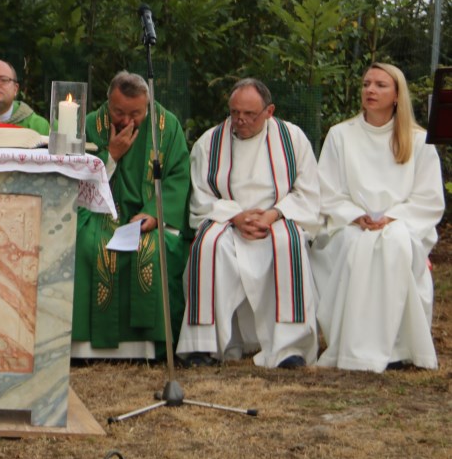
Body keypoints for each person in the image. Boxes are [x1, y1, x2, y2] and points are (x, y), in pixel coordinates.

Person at [176, 78, 319, 369]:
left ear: (269, 111)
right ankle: (203, 347)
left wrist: (273, 214)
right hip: (228, 221)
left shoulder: (293, 139)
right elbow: (201, 197)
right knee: (208, 244)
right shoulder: (210, 142)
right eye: (234, 112)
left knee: (287, 242)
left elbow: (308, 191)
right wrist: (235, 217)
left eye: (249, 114)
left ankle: (288, 349)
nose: (240, 120)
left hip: (275, 219)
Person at [311, 63, 444, 372]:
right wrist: (356, 216)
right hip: (350, 225)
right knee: (357, 246)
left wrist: (392, 219)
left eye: (380, 85)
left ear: (397, 95)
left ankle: (397, 347)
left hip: (402, 226)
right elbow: (327, 191)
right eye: (366, 84)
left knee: (394, 243)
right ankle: (353, 348)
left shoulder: (419, 140)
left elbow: (428, 198)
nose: (370, 90)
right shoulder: (340, 135)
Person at [72, 71, 191, 360]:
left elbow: (177, 177)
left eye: (135, 113)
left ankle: (148, 346)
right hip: (98, 213)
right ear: (108, 102)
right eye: (118, 112)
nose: (126, 121)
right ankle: (83, 347)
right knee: (85, 246)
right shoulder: (89, 125)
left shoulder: (166, 127)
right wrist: (110, 155)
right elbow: (74, 179)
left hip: (146, 217)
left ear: (147, 105)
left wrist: (153, 214)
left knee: (154, 249)